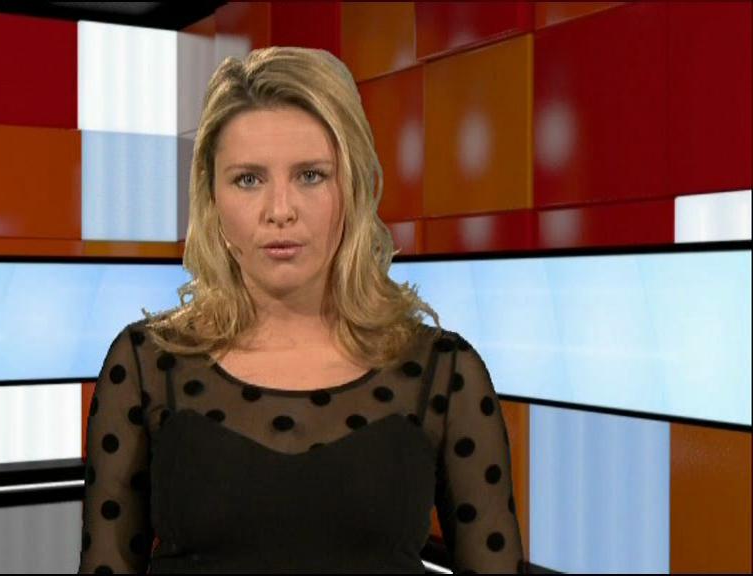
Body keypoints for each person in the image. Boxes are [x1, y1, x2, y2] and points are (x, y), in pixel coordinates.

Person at [78, 46, 526, 574]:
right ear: (211, 199)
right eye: (249, 179)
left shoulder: (445, 373)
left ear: (352, 188)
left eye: (310, 175)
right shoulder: (146, 364)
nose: (280, 211)